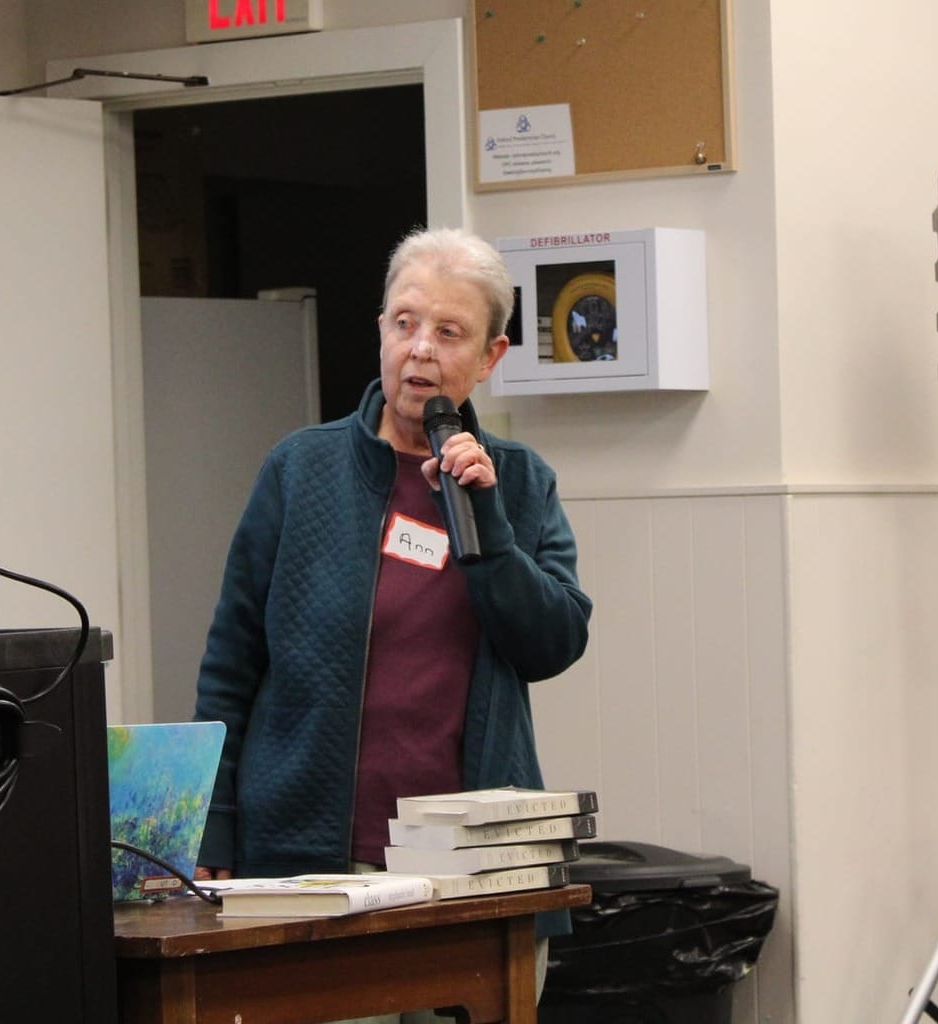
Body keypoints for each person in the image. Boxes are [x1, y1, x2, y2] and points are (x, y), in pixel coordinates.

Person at [192, 226, 593, 1021]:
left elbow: (553, 641)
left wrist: (486, 524)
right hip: (311, 870)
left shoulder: (518, 482)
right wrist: (214, 842)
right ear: (379, 330)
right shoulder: (299, 470)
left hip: (474, 875)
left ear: (489, 358)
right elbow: (229, 665)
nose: (419, 350)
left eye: (448, 333)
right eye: (403, 322)